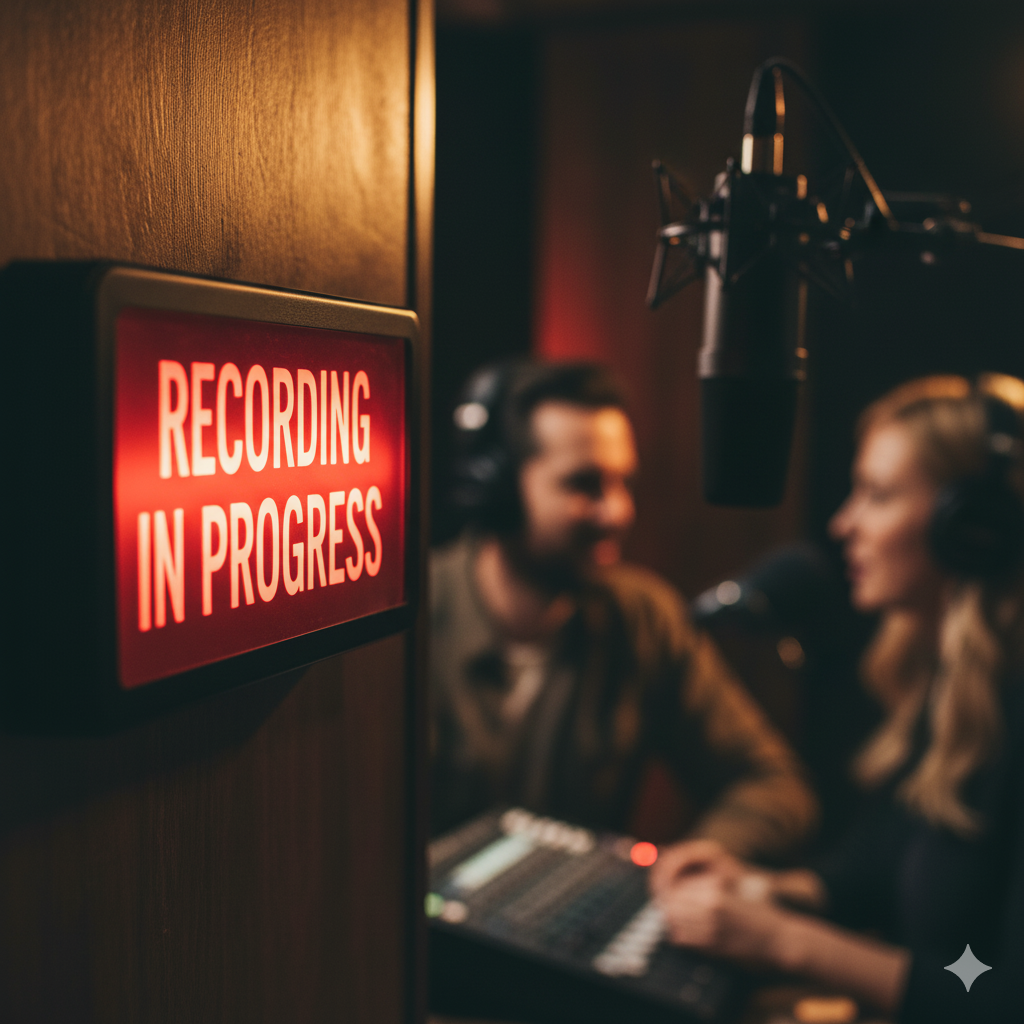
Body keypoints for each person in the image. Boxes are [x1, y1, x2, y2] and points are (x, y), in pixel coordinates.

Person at [651, 374, 1024, 1022]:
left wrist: (784, 942)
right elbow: (876, 872)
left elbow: (1003, 998)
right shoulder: (958, 695)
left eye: (877, 495)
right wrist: (759, 888)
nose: (843, 523)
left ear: (972, 525)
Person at [430, 359, 817, 863]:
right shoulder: (405, 620)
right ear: (499, 490)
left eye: (622, 483)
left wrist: (695, 862)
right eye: (585, 485)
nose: (617, 512)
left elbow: (774, 785)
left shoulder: (643, 615)